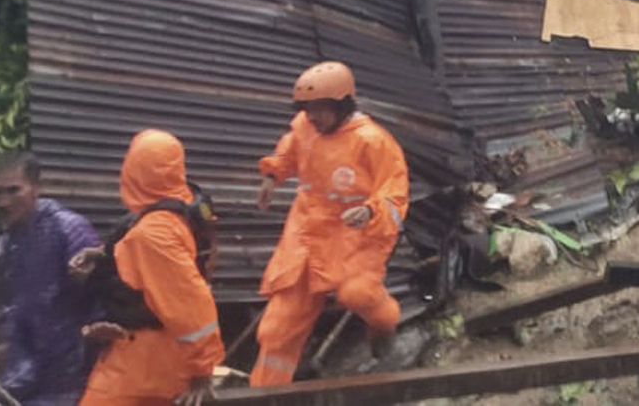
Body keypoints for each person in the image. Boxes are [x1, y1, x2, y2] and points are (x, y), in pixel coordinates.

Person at [249, 60, 410, 387]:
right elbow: (288, 152)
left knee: (357, 294)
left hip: (356, 236)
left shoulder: (373, 141)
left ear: (341, 105)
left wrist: (370, 211)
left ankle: (383, 327)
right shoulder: (304, 128)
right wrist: (271, 176)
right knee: (275, 330)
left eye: (319, 109)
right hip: (306, 235)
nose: (312, 117)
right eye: (307, 109)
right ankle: (265, 395)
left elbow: (395, 194)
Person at [76, 130, 223, 406]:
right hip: (160, 353)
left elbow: (191, 304)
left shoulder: (151, 235)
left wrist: (202, 372)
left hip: (147, 358)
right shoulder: (184, 207)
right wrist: (103, 255)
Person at [0, 149, 101, 406]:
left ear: (36, 187)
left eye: (13, 190)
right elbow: (6, 309)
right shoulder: (4, 245)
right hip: (23, 380)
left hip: (71, 381)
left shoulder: (69, 230)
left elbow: (102, 298)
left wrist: (86, 281)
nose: (2, 201)